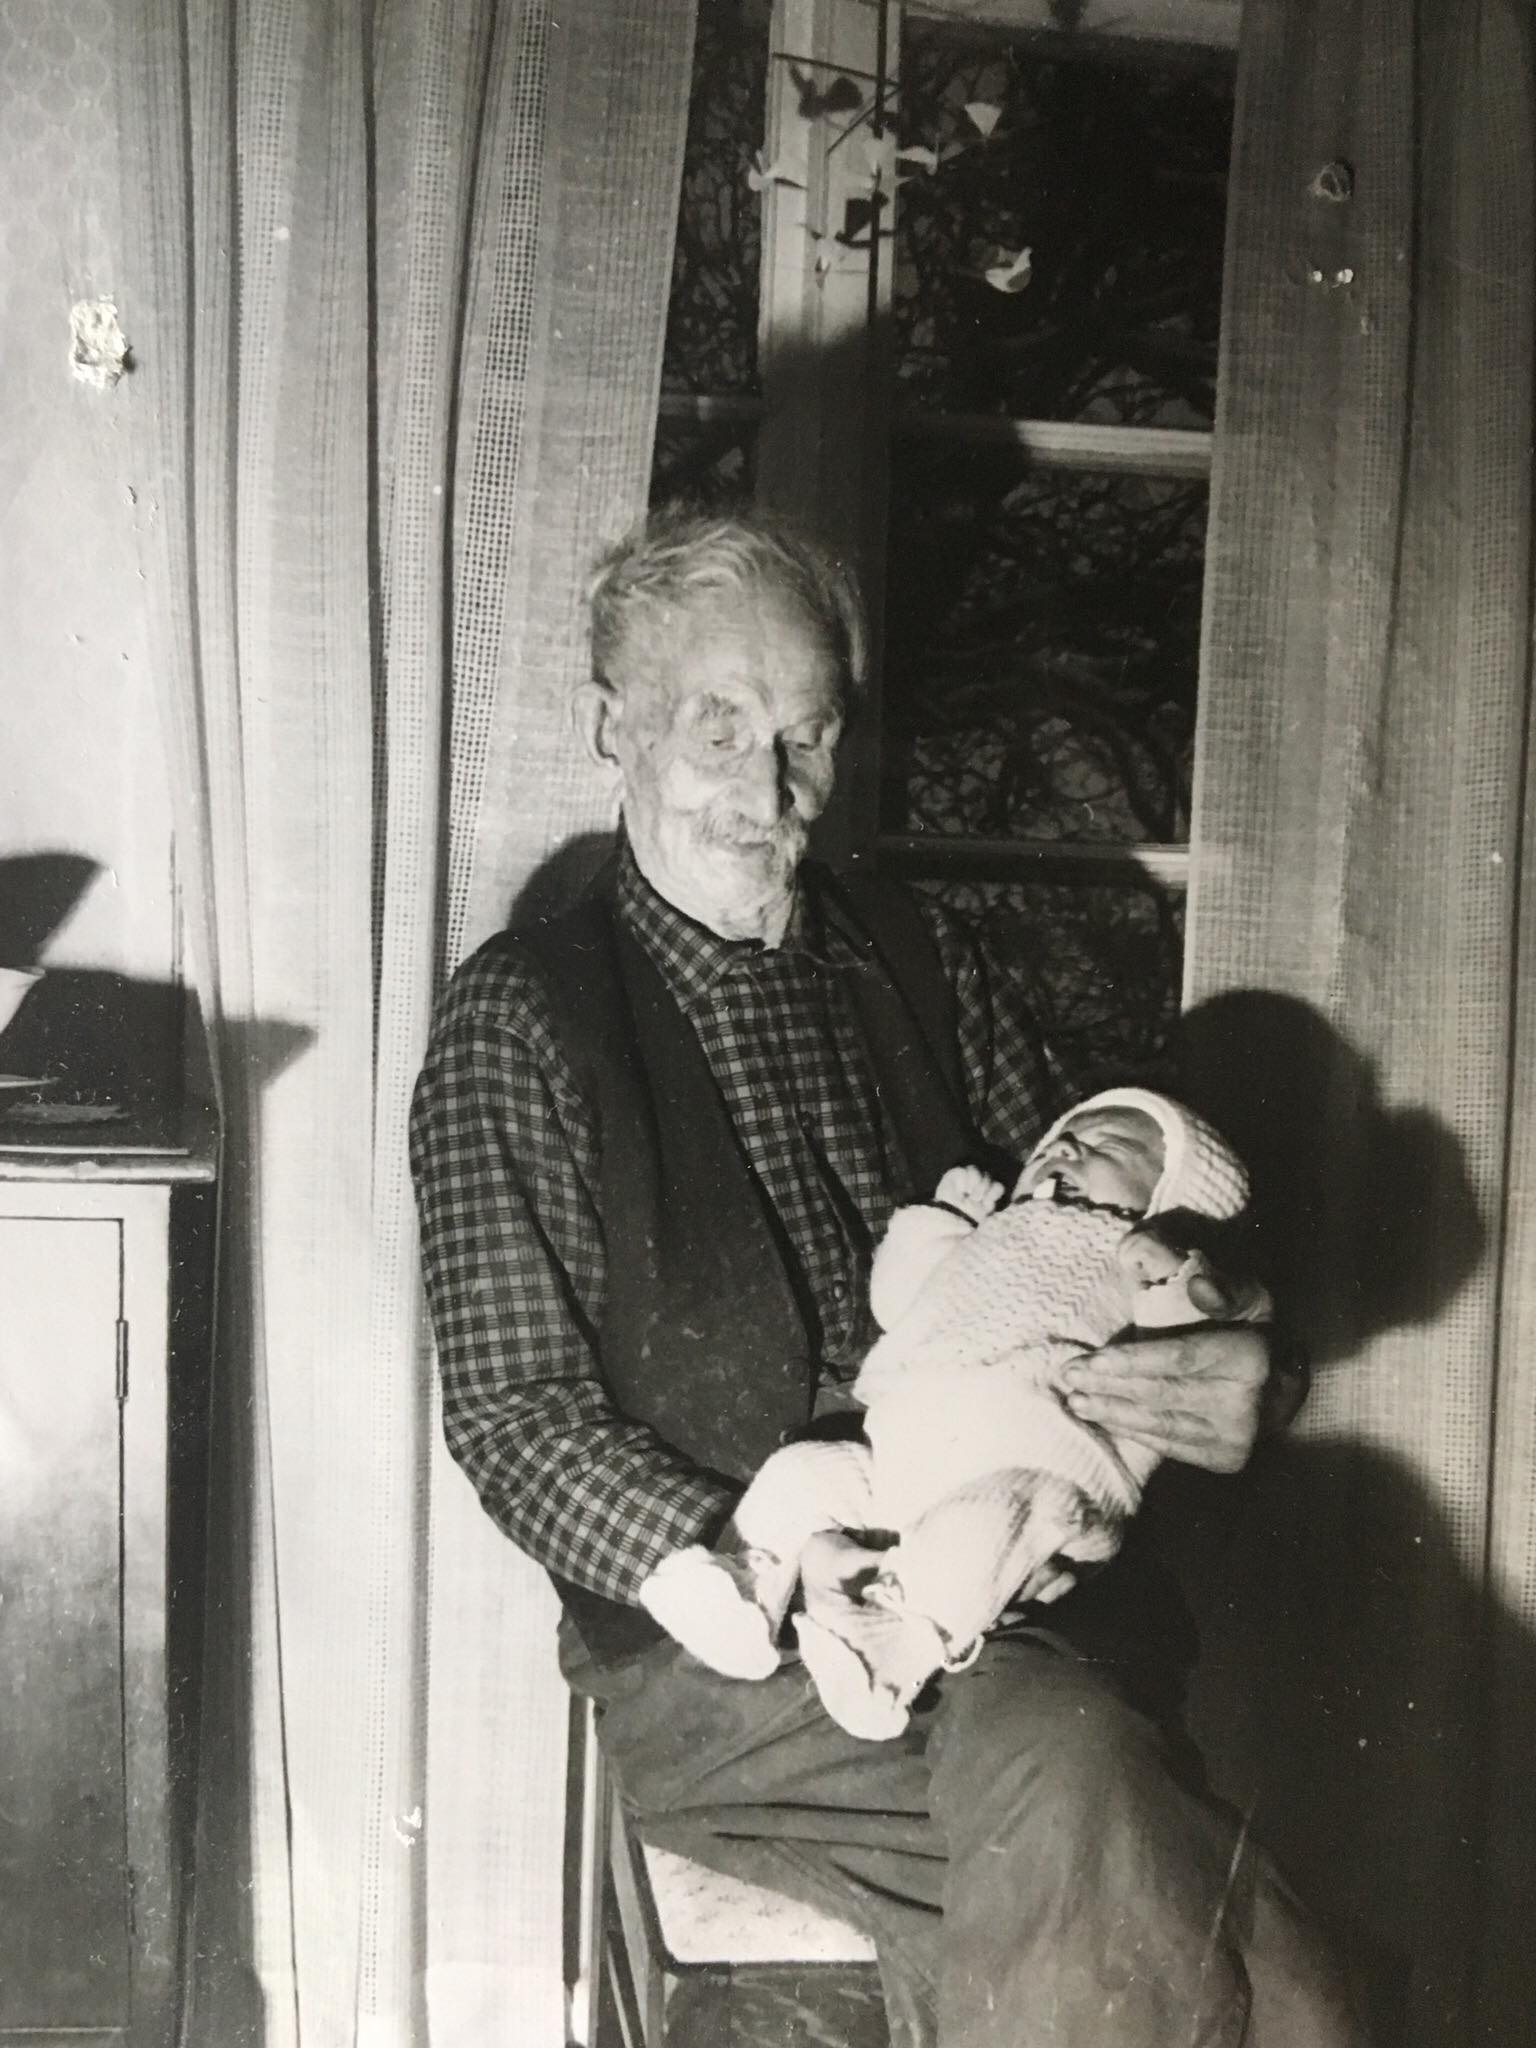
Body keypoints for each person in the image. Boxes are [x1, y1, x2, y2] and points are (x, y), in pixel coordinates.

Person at [409, 507, 1362, 2046]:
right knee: (1131, 1833)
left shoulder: (924, 960)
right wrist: (746, 1557)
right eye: (719, 727)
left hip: (1020, 1592)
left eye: (808, 734)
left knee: (1244, 1949)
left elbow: (1103, 1216)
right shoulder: (522, 1020)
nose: (767, 788)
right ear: (612, 727)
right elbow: (516, 1419)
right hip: (748, 1654)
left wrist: (1240, 1347)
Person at [637, 1087, 1272, 1743]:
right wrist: (939, 1222)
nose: (1064, 1146)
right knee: (802, 1472)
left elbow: (1182, 1343)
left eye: (1107, 1145)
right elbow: (897, 1299)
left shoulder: (1134, 1257)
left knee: (989, 1524)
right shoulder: (991, 1232)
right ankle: (747, 1591)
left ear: (1173, 1195)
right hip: (899, 1457)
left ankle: (892, 1649)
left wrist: (1176, 1278)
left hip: (1043, 1472)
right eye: (1060, 1138)